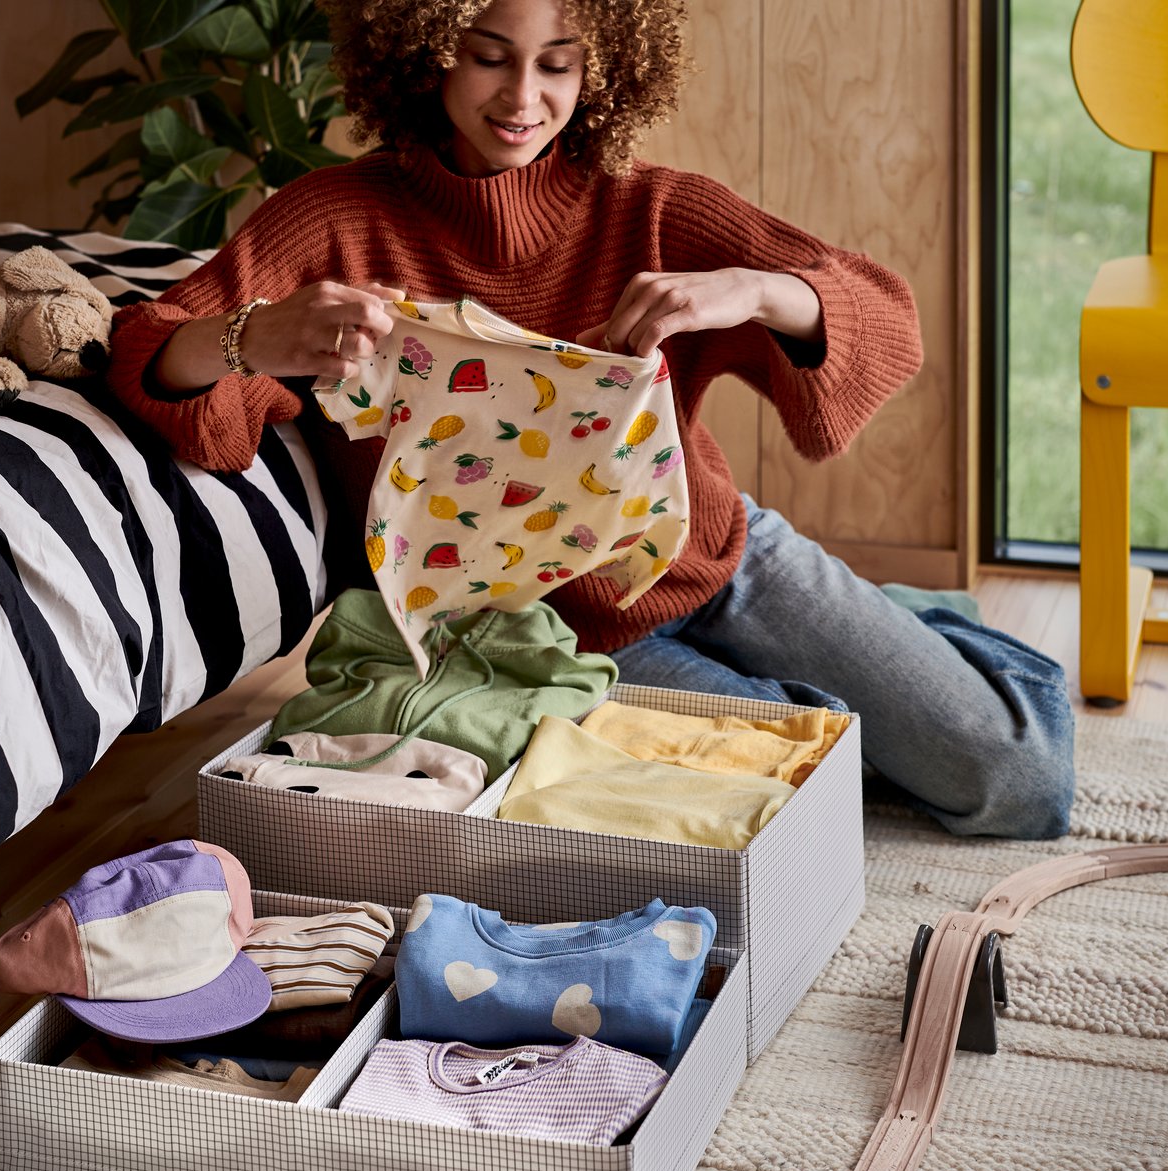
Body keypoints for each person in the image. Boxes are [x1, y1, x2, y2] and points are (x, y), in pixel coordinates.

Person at [107, 0, 1075, 839]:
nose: (522, 97)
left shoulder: (650, 206)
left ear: (605, 65)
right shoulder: (332, 220)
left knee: (1015, 781)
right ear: (424, 50)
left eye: (558, 65)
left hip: (718, 556)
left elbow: (882, 315)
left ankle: (925, 630)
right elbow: (150, 348)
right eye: (489, 57)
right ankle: (882, 662)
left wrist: (752, 290)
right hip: (551, 643)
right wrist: (249, 337)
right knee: (807, 785)